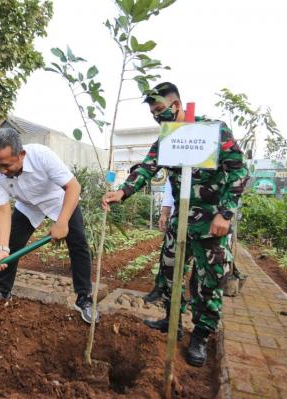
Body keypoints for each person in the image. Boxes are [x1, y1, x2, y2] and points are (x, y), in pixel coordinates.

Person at [102, 82, 249, 367]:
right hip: (180, 221)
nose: (157, 117)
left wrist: (226, 214)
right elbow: (148, 166)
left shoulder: (213, 131)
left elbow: (239, 170)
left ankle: (201, 336)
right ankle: (172, 322)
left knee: (210, 282)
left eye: (160, 110)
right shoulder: (168, 138)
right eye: (153, 113)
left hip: (211, 223)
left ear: (176, 105)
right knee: (169, 274)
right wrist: (123, 191)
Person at [0, 128, 98, 324]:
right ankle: (2, 291)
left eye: (6, 165)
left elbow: (73, 186)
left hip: (59, 200)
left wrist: (62, 223)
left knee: (78, 244)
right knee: (11, 246)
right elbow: (1, 209)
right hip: (28, 205)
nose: (2, 171)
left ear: (21, 155)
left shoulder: (41, 155)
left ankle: (84, 298)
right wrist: (1, 248)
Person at [143, 178, 174, 304]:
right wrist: (164, 213)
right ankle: (161, 290)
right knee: (168, 258)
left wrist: (224, 215)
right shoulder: (177, 162)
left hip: (209, 219)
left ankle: (198, 301)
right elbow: (170, 187)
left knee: (203, 265)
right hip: (177, 218)